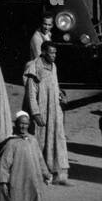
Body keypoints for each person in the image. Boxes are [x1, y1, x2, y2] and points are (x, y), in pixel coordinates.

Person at [22, 41, 69, 184]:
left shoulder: (53, 66)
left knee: (57, 140)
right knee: (40, 142)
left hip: (55, 110)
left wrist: (60, 94)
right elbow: (31, 93)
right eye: (51, 52)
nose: (54, 55)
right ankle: (38, 173)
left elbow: (54, 83)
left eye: (55, 53)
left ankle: (57, 173)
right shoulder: (34, 67)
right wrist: (36, 113)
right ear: (43, 52)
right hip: (41, 111)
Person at [0, 111, 48, 201]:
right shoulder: (11, 143)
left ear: (29, 124)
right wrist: (3, 182)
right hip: (17, 182)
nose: (23, 126)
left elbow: (40, 159)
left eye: (25, 124)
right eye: (20, 124)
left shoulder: (33, 140)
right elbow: (4, 165)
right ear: (16, 124)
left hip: (34, 183)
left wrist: (45, 173)